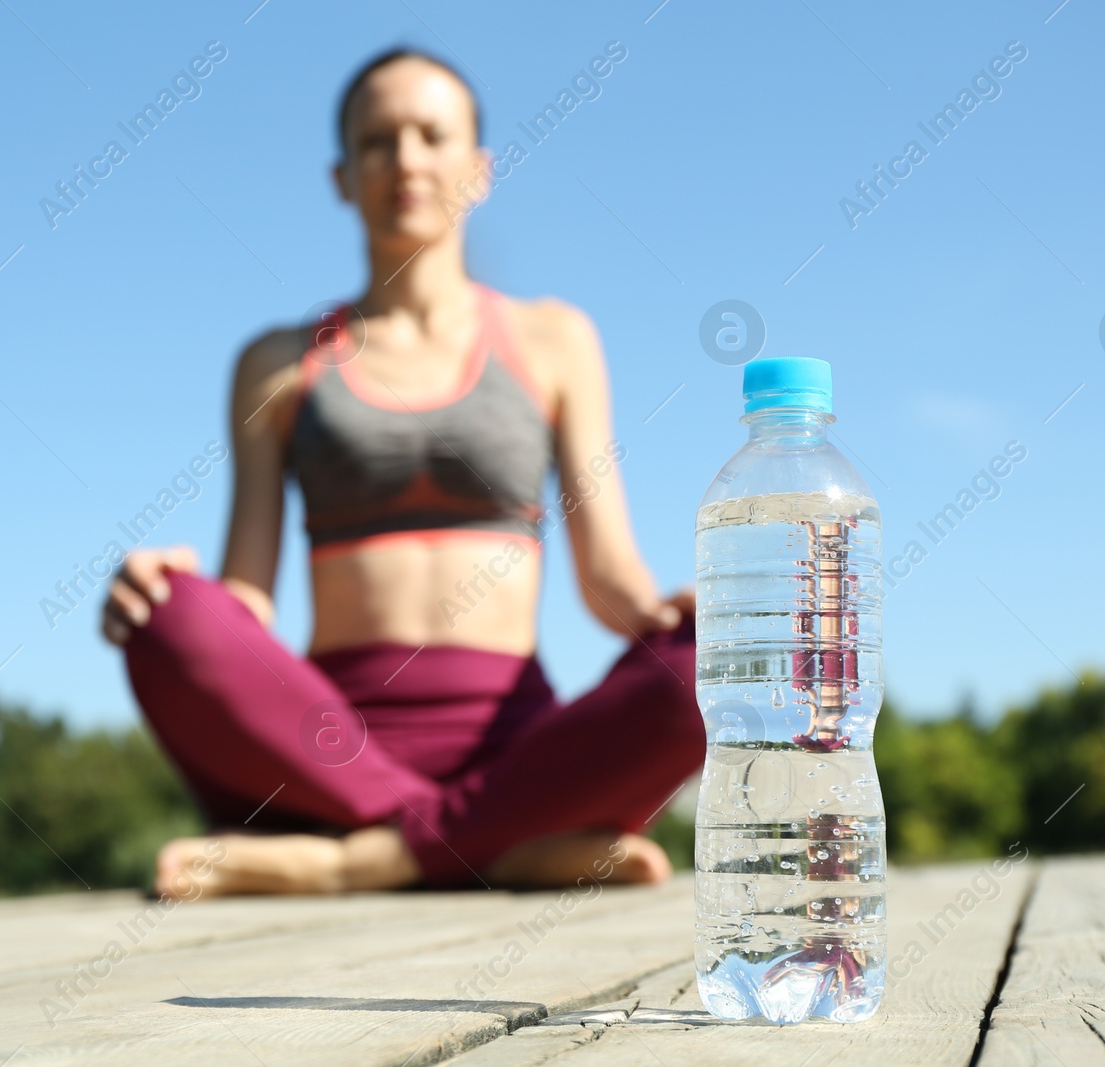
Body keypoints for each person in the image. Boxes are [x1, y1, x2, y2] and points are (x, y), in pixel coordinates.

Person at [101, 48, 703, 897]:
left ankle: (358, 858)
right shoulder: (277, 365)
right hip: (329, 745)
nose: (408, 159)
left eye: (432, 134)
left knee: (723, 660)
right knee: (167, 617)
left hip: (520, 748)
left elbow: (609, 577)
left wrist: (674, 620)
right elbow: (248, 593)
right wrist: (175, 597)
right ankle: (494, 846)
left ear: (481, 169)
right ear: (343, 177)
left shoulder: (554, 339)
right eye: (378, 141)